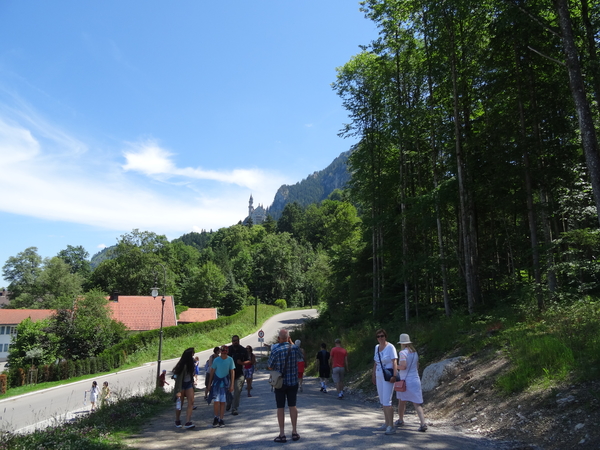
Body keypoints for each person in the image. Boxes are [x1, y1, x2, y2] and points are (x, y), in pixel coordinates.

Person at [267, 328, 303, 443]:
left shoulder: (276, 350)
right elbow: (300, 357)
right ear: (289, 338)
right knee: (293, 406)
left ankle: (282, 434)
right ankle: (294, 432)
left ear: (278, 338)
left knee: (280, 408)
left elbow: (270, 366)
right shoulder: (295, 348)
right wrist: (291, 342)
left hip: (280, 383)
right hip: (293, 382)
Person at [395, 333, 428, 432]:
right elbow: (417, 366)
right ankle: (423, 423)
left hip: (405, 381)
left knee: (401, 401)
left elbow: (403, 366)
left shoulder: (402, 353)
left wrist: (395, 366)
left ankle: (401, 419)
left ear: (401, 343)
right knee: (417, 403)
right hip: (415, 379)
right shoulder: (415, 353)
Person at [372, 328, 398, 435]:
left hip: (388, 376)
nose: (380, 338)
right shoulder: (377, 347)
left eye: (382, 336)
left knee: (387, 401)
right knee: (383, 401)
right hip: (379, 376)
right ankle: (387, 423)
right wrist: (373, 374)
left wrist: (394, 375)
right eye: (378, 336)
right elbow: (375, 362)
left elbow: (394, 361)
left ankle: (391, 426)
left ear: (385, 336)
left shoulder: (390, 347)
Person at [208, 344, 235, 427]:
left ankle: (221, 419)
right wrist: (209, 384)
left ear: (227, 353)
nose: (224, 354)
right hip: (216, 383)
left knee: (223, 402)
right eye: (222, 353)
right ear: (220, 352)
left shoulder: (230, 360)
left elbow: (232, 371)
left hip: (225, 383)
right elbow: (212, 371)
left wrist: (232, 385)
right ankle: (216, 417)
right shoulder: (216, 360)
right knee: (216, 401)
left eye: (225, 353)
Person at [172, 347, 196, 429]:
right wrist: (178, 391)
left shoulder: (191, 363)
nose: (193, 355)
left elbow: (191, 374)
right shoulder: (182, 365)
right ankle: (177, 420)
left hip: (188, 384)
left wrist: (193, 382)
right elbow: (176, 377)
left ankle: (188, 422)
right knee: (180, 403)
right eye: (192, 353)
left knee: (191, 402)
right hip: (181, 385)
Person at [227, 335, 249, 415]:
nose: (235, 342)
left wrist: (242, 363)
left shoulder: (243, 350)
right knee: (227, 391)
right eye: (233, 341)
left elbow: (249, 361)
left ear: (239, 341)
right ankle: (229, 402)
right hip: (228, 374)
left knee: (237, 391)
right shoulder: (228, 350)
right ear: (232, 341)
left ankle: (234, 408)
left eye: (236, 340)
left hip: (239, 374)